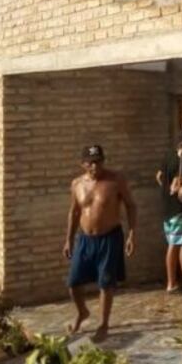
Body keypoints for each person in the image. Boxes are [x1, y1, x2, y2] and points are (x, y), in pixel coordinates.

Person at [64, 144, 137, 342]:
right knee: (73, 283)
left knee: (106, 283)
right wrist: (68, 240)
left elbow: (130, 205)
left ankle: (103, 324)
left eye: (99, 161)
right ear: (83, 164)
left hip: (109, 237)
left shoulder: (115, 180)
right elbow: (74, 212)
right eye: (91, 162)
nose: (96, 166)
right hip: (85, 239)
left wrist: (132, 234)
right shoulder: (77, 184)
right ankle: (82, 312)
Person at [156, 147, 182, 293]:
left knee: (174, 242)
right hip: (181, 206)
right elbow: (180, 180)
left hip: (168, 206)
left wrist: (167, 192)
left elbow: (159, 176)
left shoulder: (169, 153)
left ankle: (174, 282)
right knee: (181, 243)